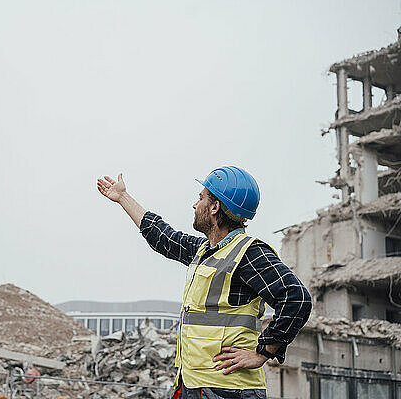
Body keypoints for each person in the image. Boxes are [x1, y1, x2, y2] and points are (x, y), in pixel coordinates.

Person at [96, 166, 312, 399]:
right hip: (193, 383)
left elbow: (296, 298)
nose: (194, 204)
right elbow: (163, 237)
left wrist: (263, 352)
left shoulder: (249, 254)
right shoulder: (203, 251)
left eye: (200, 198)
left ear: (214, 207)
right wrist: (123, 197)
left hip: (227, 390)